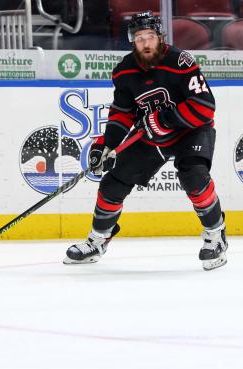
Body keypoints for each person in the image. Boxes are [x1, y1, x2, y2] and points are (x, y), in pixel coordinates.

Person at [64, 11, 228, 271]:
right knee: (113, 182)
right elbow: (123, 111)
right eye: (139, 38)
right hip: (153, 135)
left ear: (160, 38)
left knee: (194, 175)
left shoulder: (180, 61)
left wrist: (164, 120)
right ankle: (98, 240)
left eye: (150, 36)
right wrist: (107, 144)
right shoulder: (124, 71)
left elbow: (205, 107)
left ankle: (215, 236)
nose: (146, 42)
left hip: (191, 131)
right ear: (133, 41)